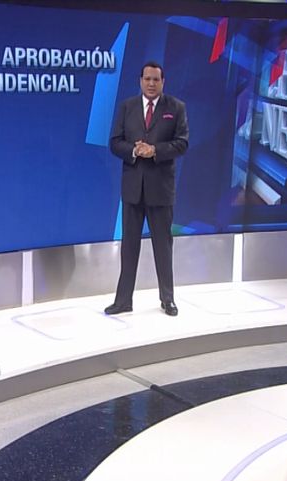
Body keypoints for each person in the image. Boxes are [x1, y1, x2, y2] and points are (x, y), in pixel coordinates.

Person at [105, 61, 189, 317]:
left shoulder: (176, 107)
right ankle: (123, 301)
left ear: (163, 82)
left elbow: (182, 143)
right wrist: (134, 150)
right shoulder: (127, 107)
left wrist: (155, 150)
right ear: (140, 81)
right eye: (147, 79)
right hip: (133, 189)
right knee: (129, 246)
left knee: (163, 246)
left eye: (156, 79)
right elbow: (114, 143)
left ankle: (168, 299)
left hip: (160, 190)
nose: (151, 83)